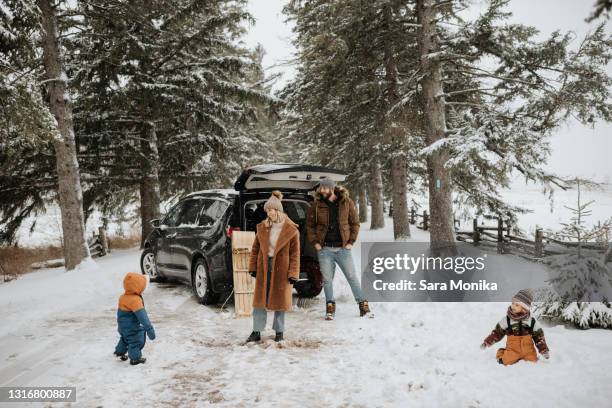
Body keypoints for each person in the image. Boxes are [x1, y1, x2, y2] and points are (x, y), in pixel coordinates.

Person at [306, 179, 370, 320]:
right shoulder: (316, 205)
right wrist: (315, 242)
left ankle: (363, 304)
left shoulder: (346, 202)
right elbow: (310, 225)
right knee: (327, 280)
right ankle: (330, 307)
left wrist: (351, 242)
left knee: (352, 277)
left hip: (343, 249)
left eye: (324, 188)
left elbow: (355, 223)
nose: (321, 190)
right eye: (320, 188)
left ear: (331, 188)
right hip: (325, 250)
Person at [246, 190, 300, 343]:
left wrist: (293, 273)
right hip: (264, 266)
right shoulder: (262, 227)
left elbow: (295, 254)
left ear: (278, 210)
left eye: (270, 210)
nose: (268, 213)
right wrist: (253, 267)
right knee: (259, 301)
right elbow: (255, 248)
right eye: (267, 210)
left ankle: (279, 332)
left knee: (280, 301)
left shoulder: (291, 229)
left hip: (282, 267)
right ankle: (256, 331)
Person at [481, 289, 550, 365]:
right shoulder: (507, 320)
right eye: (513, 303)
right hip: (513, 350)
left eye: (517, 305)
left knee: (533, 362)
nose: (513, 306)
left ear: (524, 308)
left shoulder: (531, 321)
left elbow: (538, 336)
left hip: (528, 350)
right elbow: (497, 332)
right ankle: (501, 352)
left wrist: (544, 350)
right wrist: (487, 342)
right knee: (505, 361)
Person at [114, 272, 156, 365]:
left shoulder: (123, 297)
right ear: (138, 287)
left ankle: (119, 352)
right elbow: (143, 317)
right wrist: (149, 330)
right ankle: (135, 358)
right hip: (131, 328)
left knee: (125, 338)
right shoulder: (135, 300)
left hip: (122, 326)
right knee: (135, 340)